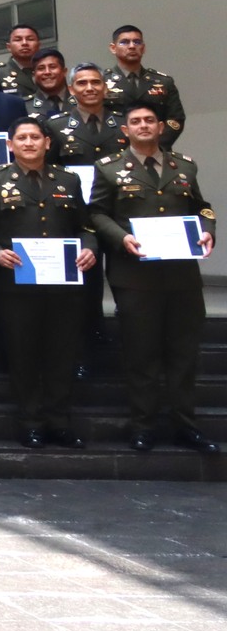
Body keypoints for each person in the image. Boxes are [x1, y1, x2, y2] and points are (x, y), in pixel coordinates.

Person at [88, 103, 217, 453]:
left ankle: (185, 425)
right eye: (136, 121)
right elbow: (97, 213)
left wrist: (207, 229)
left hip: (182, 277)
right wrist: (121, 238)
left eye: (149, 120)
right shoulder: (109, 168)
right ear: (125, 130)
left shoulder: (184, 166)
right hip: (135, 277)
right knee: (141, 355)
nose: (143, 125)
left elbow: (201, 207)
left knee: (184, 355)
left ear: (161, 127)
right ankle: (143, 425)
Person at [0, 117, 96, 448]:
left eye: (35, 137)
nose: (29, 143)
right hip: (16, 286)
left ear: (47, 143)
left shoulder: (67, 180)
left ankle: (59, 421)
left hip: (63, 284)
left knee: (62, 355)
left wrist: (89, 248)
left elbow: (85, 227)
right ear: (10, 145)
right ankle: (31, 422)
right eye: (22, 138)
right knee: (23, 354)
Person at [104, 25, 186, 148]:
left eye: (137, 42)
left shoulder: (164, 82)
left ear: (143, 48)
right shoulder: (101, 82)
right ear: (113, 48)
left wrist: (152, 146)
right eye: (124, 42)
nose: (132, 46)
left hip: (156, 150)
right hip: (114, 151)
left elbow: (175, 120)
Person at [0, 25, 42, 99]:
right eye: (18, 40)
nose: (24, 43)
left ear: (39, 45)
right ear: (9, 47)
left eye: (30, 39)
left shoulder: (48, 71)